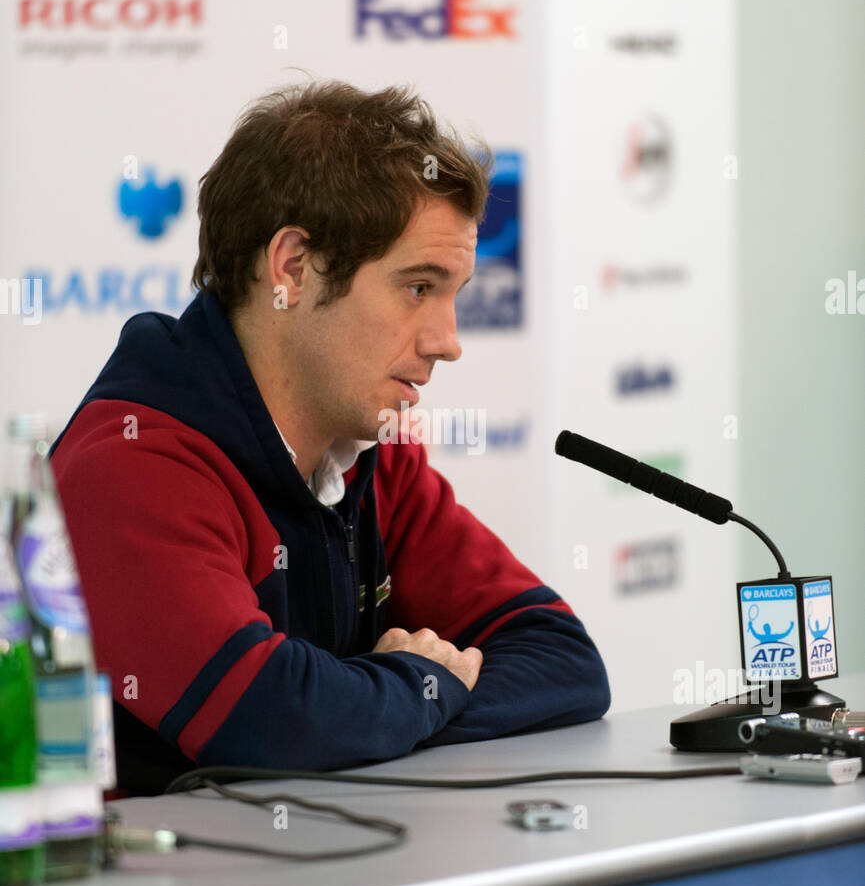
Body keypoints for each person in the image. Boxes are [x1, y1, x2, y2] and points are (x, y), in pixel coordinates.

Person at [50, 79, 610, 795]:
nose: (447, 341)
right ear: (290, 268)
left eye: (454, 295)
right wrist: (417, 682)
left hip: (326, 881)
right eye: (417, 287)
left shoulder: (376, 458)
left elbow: (563, 661)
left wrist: (377, 706)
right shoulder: (131, 465)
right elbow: (271, 723)